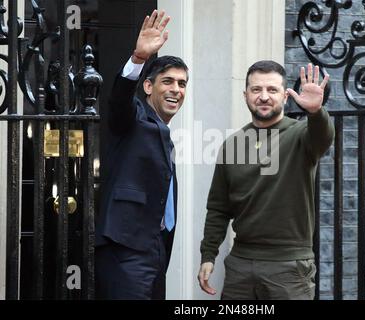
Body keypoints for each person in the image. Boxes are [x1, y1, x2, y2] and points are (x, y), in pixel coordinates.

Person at [198, 61, 334, 300]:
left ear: (284, 96)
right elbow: (218, 208)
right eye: (256, 89)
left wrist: (316, 113)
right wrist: (208, 255)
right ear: (245, 95)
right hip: (240, 265)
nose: (263, 96)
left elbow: (323, 136)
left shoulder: (301, 136)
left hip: (289, 268)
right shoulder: (232, 145)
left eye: (272, 90)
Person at [95, 10, 189, 299]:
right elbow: (119, 100)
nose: (176, 89)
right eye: (168, 81)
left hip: (156, 248)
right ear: (148, 86)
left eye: (182, 83)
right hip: (125, 249)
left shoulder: (163, 131)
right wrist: (138, 59)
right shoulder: (135, 116)